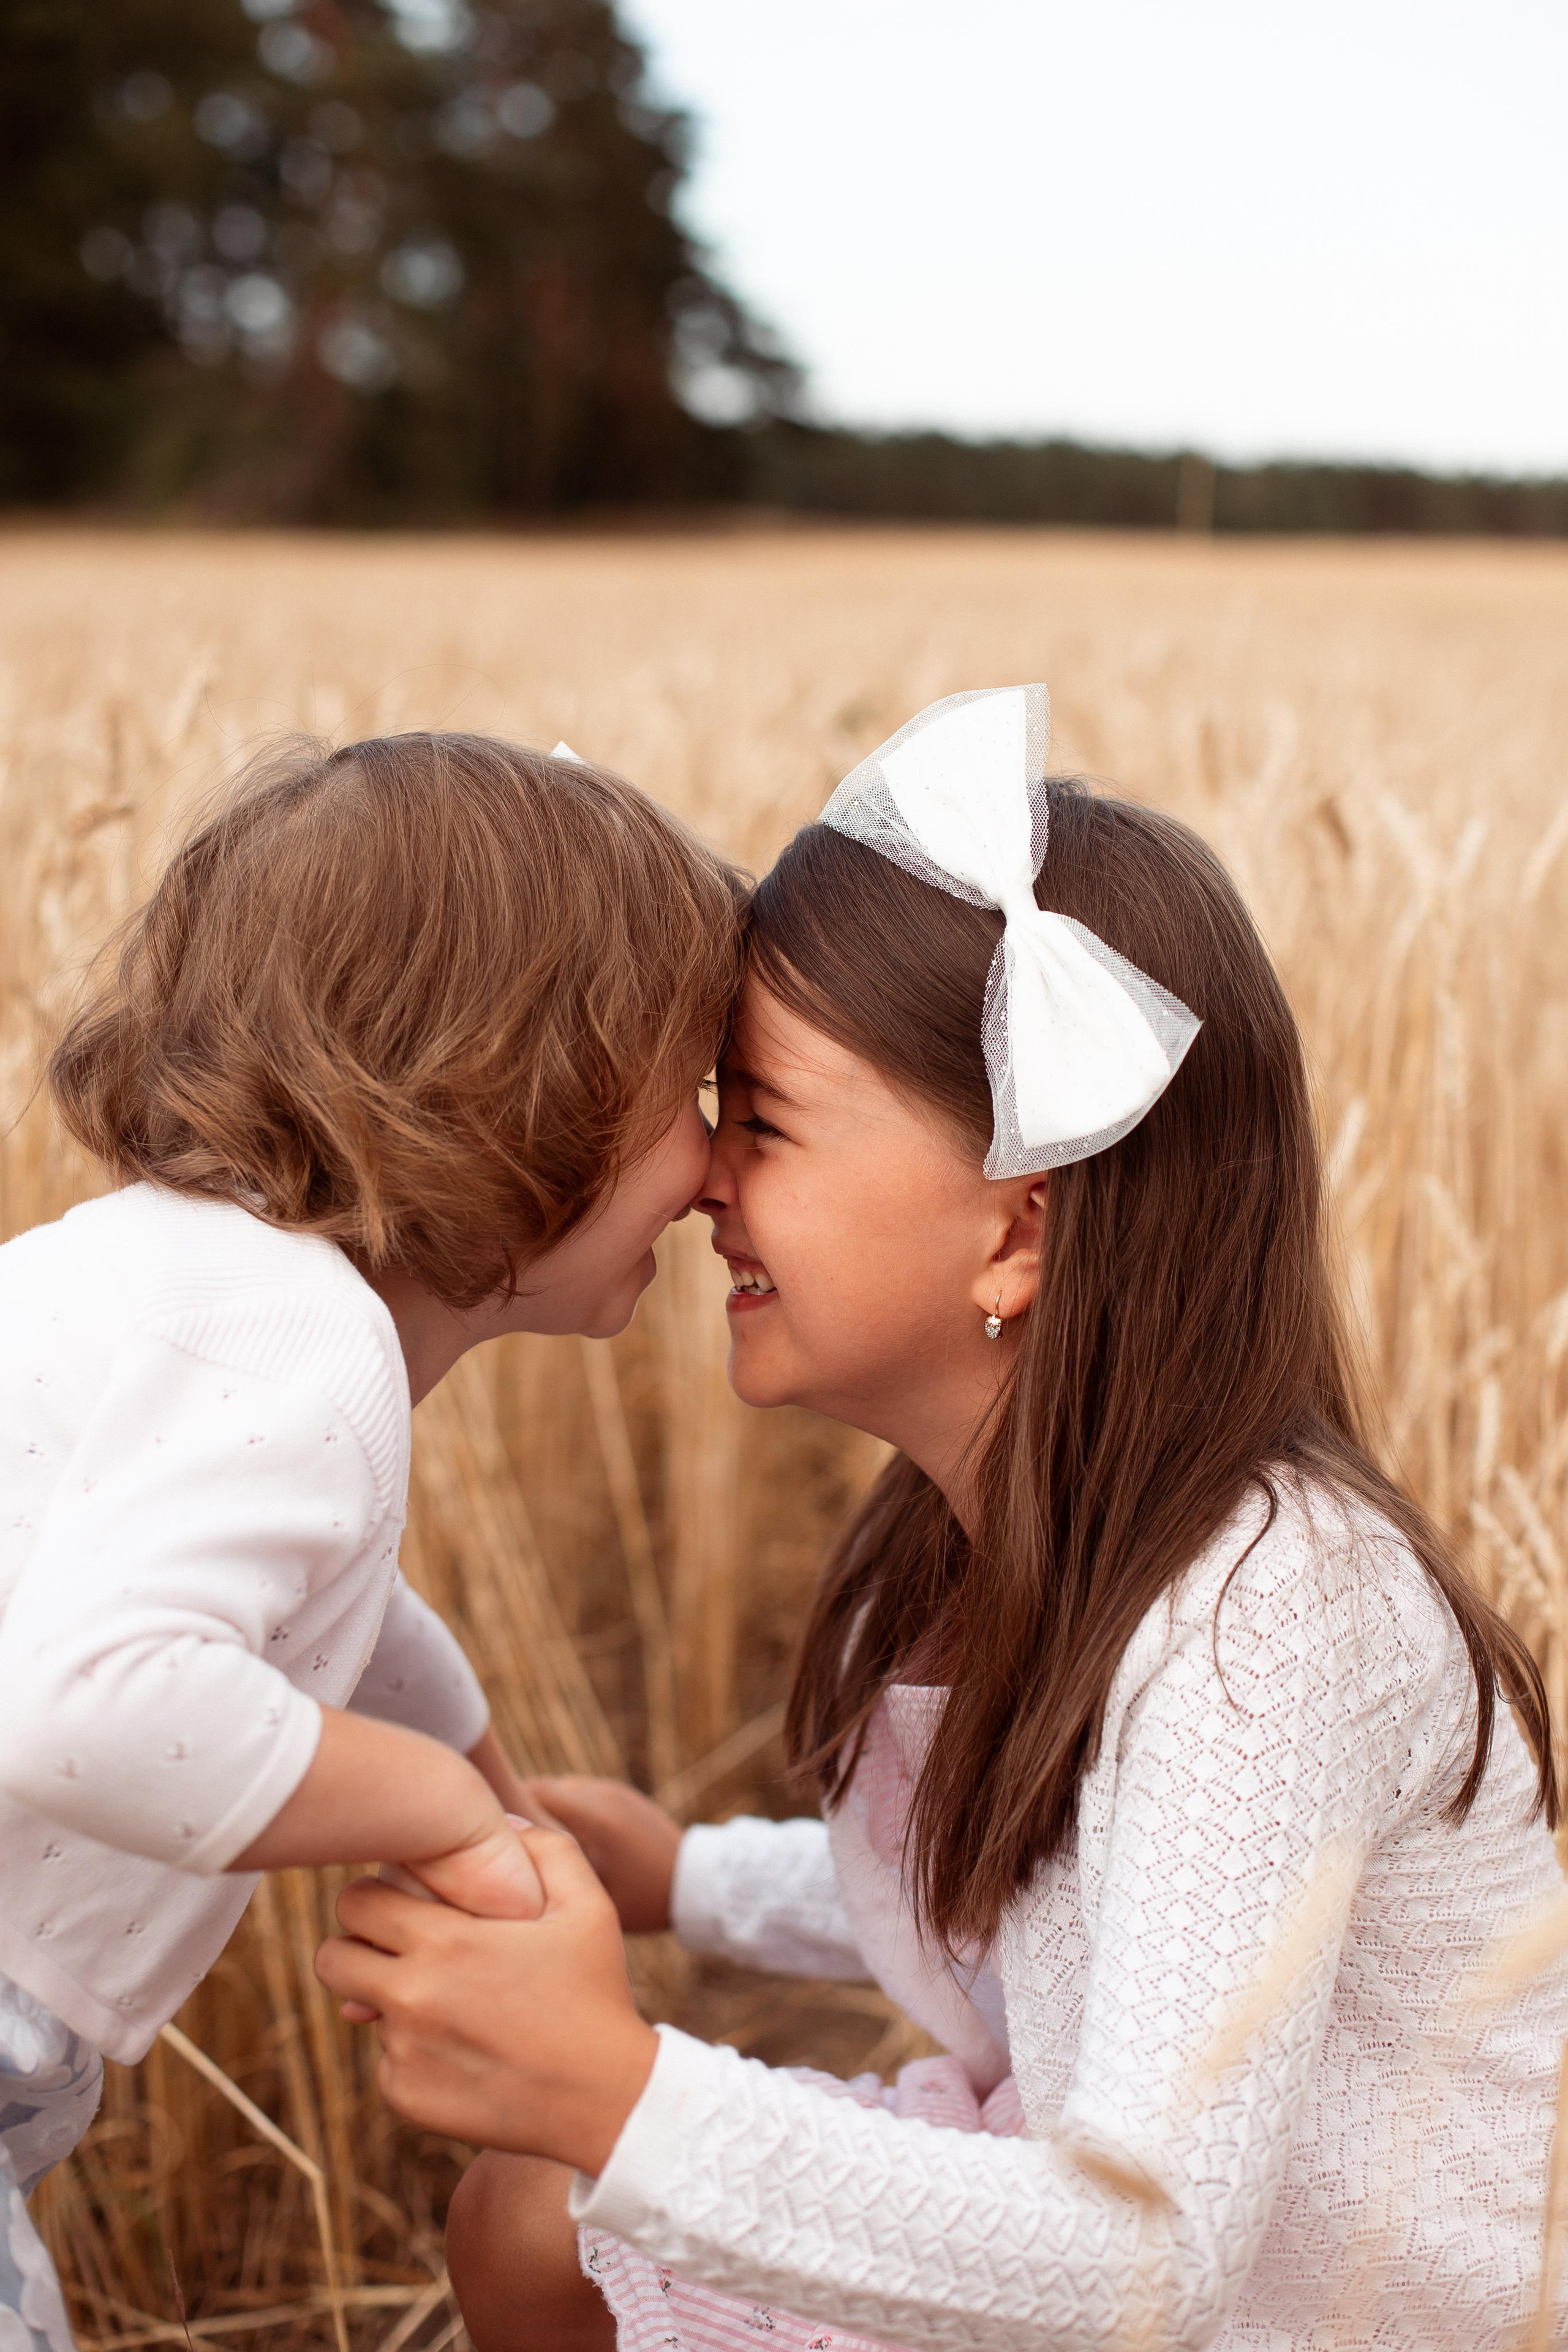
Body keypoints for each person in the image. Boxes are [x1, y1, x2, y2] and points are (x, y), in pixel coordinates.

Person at [318, 689, 1567, 2352]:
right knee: (528, 2215)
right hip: (1100, 2226)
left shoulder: (1273, 1615)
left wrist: (630, 2096)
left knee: (561, 2194)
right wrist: (688, 1879)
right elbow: (1062, 1899)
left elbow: (1149, 2258)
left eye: (758, 1118)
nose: (700, 1181)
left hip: (1259, 2310)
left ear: (1016, 1230)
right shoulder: (1010, 1532)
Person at [0, 731, 743, 2351]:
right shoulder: (308, 1349)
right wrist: (433, 1813)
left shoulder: (170, 1282)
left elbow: (343, 1614)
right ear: (521, 1087)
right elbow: (81, 1706)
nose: (712, 1171)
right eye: (688, 1097)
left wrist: (485, 1771)